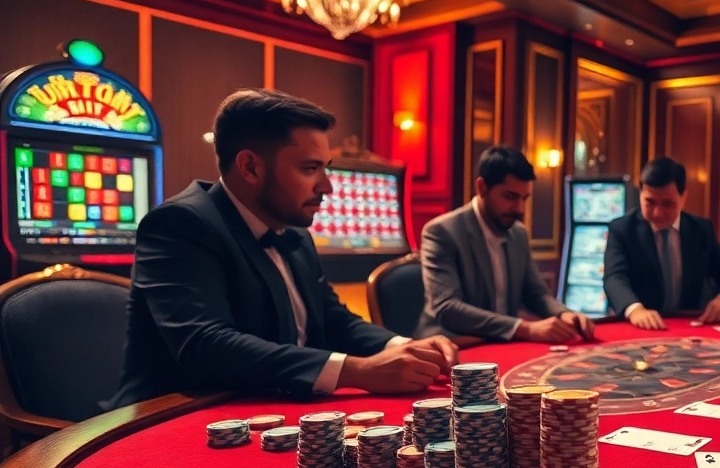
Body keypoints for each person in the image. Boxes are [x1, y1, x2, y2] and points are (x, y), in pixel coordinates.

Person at [108, 89, 457, 408]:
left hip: (266, 408)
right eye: (310, 169)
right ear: (250, 167)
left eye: (325, 168)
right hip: (170, 420)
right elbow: (205, 345)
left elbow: (333, 320)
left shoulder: (294, 230)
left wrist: (401, 347)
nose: (328, 187)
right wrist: (356, 371)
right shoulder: (180, 224)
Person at [416, 146, 595, 343]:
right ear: (482, 187)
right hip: (452, 345)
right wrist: (524, 328)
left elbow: (536, 293)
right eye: (510, 197)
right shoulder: (442, 231)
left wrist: (563, 314)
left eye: (524, 198)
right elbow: (448, 309)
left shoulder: (518, 234)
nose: (520, 209)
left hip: (501, 343)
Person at [604, 157, 720, 330]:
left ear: (683, 197)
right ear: (641, 194)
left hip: (689, 328)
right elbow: (614, 278)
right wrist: (635, 310)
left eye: (668, 204)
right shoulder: (622, 229)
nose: (658, 213)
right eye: (650, 202)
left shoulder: (700, 229)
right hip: (641, 328)